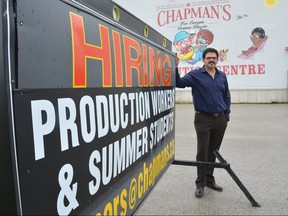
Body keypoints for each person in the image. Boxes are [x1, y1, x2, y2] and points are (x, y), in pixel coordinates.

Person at [175, 47, 231, 198]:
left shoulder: (221, 76)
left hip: (220, 119)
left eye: (214, 58)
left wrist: (226, 115)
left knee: (213, 151)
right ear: (203, 60)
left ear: (217, 60)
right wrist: (175, 67)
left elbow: (226, 95)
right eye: (208, 58)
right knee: (202, 151)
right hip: (203, 119)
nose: (211, 60)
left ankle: (210, 180)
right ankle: (200, 183)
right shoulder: (195, 75)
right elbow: (179, 83)